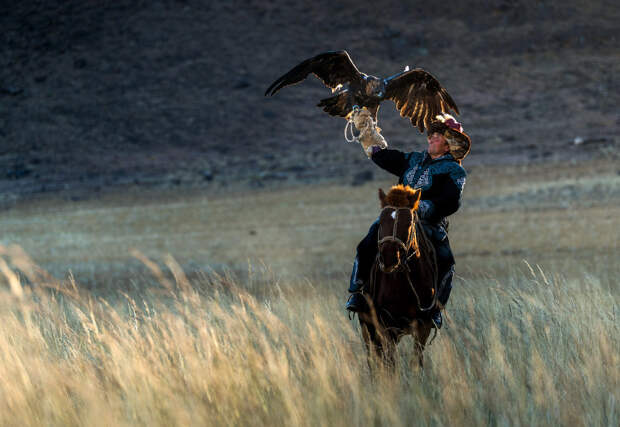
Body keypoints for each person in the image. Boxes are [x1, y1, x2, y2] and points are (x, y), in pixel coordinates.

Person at [346, 111, 471, 329]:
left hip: (428, 222)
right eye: (431, 134)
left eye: (438, 135)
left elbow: (452, 201)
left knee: (446, 259)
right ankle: (358, 291)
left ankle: (434, 309)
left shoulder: (455, 170)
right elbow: (384, 157)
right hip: (396, 217)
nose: (431, 137)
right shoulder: (412, 159)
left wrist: (425, 207)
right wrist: (368, 134)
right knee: (367, 243)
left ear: (449, 144)